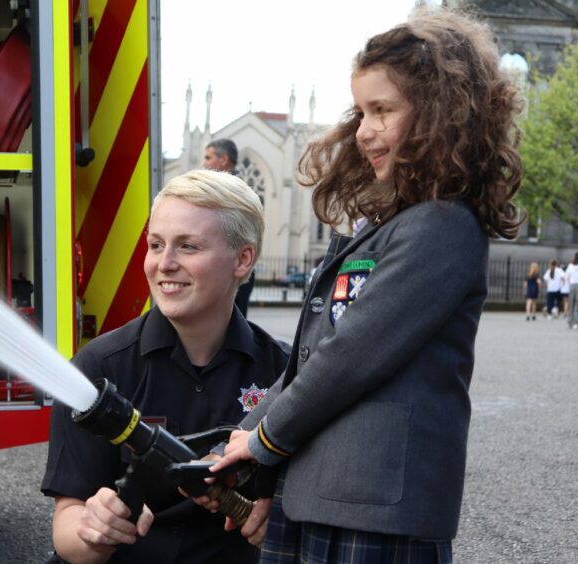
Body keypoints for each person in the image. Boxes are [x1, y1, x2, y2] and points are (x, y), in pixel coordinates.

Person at [202, 7, 523, 563]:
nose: (365, 130)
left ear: (440, 116)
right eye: (362, 111)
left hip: (377, 512)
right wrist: (242, 437)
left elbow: (351, 356)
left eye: (383, 110)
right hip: (322, 497)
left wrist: (263, 441)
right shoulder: (392, 222)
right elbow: (312, 359)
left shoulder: (443, 226)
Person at [41, 170, 290, 564]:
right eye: (156, 245)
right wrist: (93, 528)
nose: (165, 263)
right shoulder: (98, 369)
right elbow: (67, 534)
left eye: (188, 247)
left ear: (243, 259)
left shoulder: (286, 375)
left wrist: (276, 523)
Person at [203, 138, 256, 318]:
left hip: (233, 268)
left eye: (208, 157)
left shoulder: (236, 191)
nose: (205, 163)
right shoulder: (221, 188)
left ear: (224, 160)